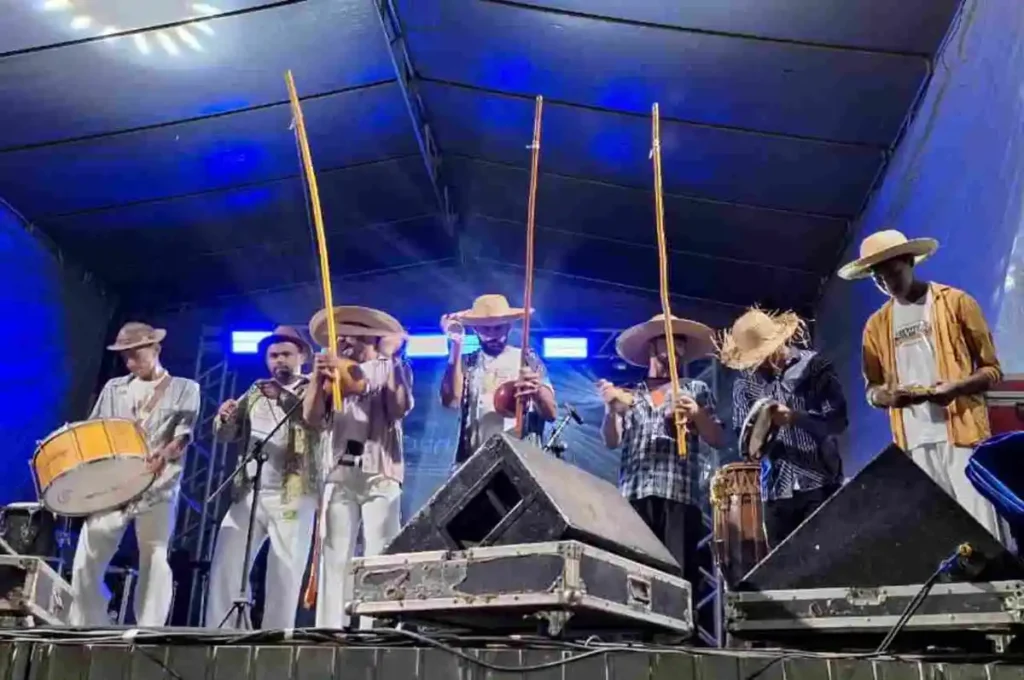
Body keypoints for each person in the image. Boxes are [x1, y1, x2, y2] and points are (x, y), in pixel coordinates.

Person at [838, 229, 1003, 537]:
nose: (887, 283)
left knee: (982, 523)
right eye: (878, 278)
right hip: (913, 441)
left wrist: (956, 388)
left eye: (893, 273)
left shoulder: (955, 302)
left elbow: (992, 370)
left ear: (909, 262)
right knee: (940, 529)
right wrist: (887, 398)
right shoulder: (876, 326)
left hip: (962, 433)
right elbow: (872, 390)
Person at [70, 322, 200, 626]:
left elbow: (184, 435)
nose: (130, 362)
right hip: (115, 485)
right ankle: (87, 622)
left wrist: (164, 455)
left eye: (135, 354)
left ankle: (149, 628)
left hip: (159, 484)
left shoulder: (185, 388)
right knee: (89, 553)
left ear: (155, 348)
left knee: (154, 554)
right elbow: (95, 429)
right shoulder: (114, 388)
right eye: (125, 356)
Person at [302, 305, 413, 629]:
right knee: (335, 553)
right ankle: (330, 628)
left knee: (380, 552)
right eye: (340, 335)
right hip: (339, 469)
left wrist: (390, 359)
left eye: (350, 333)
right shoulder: (330, 371)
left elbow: (398, 408)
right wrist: (317, 377)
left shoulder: (394, 367)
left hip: (381, 471)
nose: (344, 340)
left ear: (369, 336)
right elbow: (311, 419)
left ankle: (374, 625)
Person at [596, 314, 725, 589]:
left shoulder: (695, 389)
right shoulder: (632, 394)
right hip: (634, 496)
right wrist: (610, 411)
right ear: (652, 347)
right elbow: (611, 441)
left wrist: (696, 413)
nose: (676, 348)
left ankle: (679, 632)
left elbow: (716, 438)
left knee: (677, 577)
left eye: (680, 342)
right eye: (669, 340)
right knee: (635, 576)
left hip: (677, 495)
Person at [205, 326, 320, 629]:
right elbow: (227, 434)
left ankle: (274, 637)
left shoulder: (314, 388)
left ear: (302, 356)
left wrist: (282, 396)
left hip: (293, 492)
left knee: (284, 571)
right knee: (226, 563)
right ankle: (220, 631)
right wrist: (224, 417)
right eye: (273, 355)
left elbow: (313, 424)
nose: (278, 360)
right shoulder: (256, 389)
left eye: (285, 354)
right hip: (250, 490)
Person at [719, 307, 848, 548]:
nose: (759, 364)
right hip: (776, 494)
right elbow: (744, 442)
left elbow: (838, 422)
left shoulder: (815, 367)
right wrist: (761, 431)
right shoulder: (744, 385)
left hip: (821, 484)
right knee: (785, 578)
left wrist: (794, 418)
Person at [439, 294, 557, 466]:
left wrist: (537, 390)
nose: (493, 335)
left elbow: (551, 414)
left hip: (523, 461)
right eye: (486, 329)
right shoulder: (467, 363)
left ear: (509, 327)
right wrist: (457, 343)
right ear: (476, 330)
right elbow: (451, 400)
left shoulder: (527, 359)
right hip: (476, 461)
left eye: (499, 328)